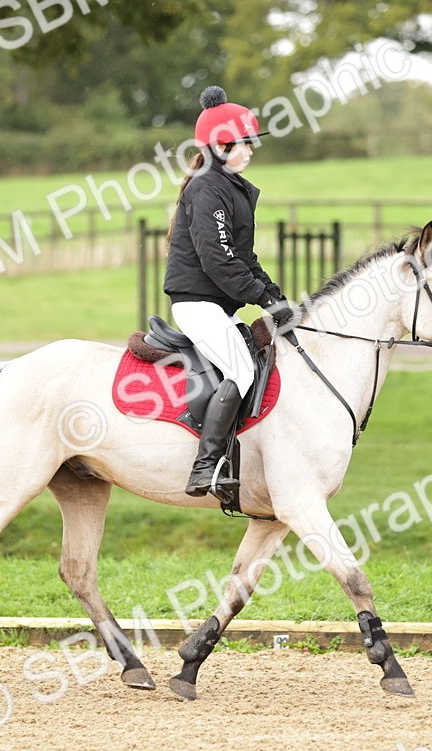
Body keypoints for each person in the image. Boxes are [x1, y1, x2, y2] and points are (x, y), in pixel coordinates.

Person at [164, 85, 293, 502]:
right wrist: (260, 297)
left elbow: (244, 256)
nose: (251, 150)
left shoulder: (232, 188)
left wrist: (274, 296)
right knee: (242, 371)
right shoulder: (207, 189)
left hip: (217, 305)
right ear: (221, 147)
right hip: (197, 303)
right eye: (245, 143)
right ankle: (205, 467)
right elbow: (218, 260)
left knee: (258, 360)